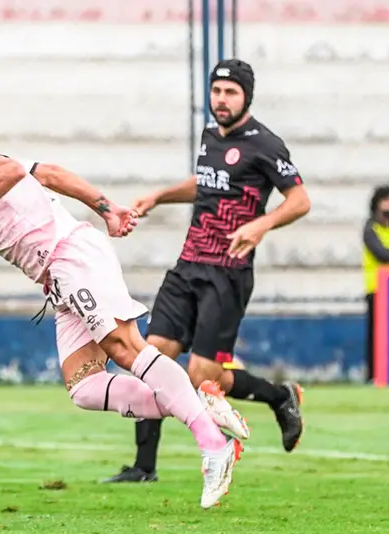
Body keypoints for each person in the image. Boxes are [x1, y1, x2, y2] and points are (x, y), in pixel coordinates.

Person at [0, 138, 248, 509]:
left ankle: (214, 446)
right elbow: (44, 174)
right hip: (56, 277)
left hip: (71, 255)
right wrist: (105, 207)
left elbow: (11, 169)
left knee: (125, 347)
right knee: (84, 387)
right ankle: (198, 404)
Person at [101, 59, 311, 484]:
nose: (221, 100)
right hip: (188, 265)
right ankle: (144, 467)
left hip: (228, 273)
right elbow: (205, 182)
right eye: (217, 92)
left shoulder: (265, 144)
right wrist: (159, 196)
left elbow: (300, 200)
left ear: (246, 96)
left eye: (230, 93)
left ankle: (278, 395)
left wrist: (261, 224)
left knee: (201, 376)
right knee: (149, 358)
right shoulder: (210, 136)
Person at [362, 184, 389, 382]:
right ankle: (374, 375)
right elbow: (382, 254)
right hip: (377, 289)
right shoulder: (371, 229)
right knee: (376, 334)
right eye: (385, 200)